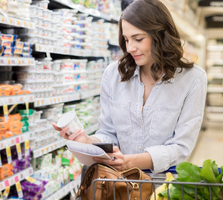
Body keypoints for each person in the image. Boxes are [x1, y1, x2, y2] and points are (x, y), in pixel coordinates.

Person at [52, 0, 207, 173]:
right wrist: (85, 140)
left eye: (138, 39)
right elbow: (108, 134)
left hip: (164, 185)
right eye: (126, 39)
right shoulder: (113, 75)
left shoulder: (193, 79)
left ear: (161, 35)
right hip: (120, 184)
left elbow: (181, 146)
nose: (130, 48)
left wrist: (131, 161)